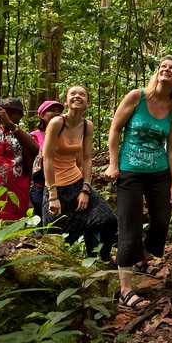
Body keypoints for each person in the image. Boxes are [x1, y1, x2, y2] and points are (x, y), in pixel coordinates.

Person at [104, 56, 172, 310]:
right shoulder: (137, 97)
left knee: (161, 224)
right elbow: (115, 129)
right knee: (131, 226)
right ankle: (125, 289)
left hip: (159, 172)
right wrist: (114, 163)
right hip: (130, 171)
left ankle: (138, 258)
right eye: (163, 66)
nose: (166, 69)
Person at [42, 85, 117, 261]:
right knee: (54, 238)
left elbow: (87, 159)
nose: (77, 96)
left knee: (108, 219)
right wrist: (53, 195)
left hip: (76, 182)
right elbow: (47, 158)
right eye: (73, 94)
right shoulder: (57, 123)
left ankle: (103, 258)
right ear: (65, 101)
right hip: (55, 186)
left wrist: (85, 188)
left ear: (87, 103)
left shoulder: (86, 126)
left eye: (82, 94)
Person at [29, 100, 64, 227]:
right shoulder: (35, 136)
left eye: (59, 111)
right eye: (52, 110)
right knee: (41, 221)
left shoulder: (66, 135)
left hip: (63, 184)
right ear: (42, 115)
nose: (57, 113)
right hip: (40, 185)